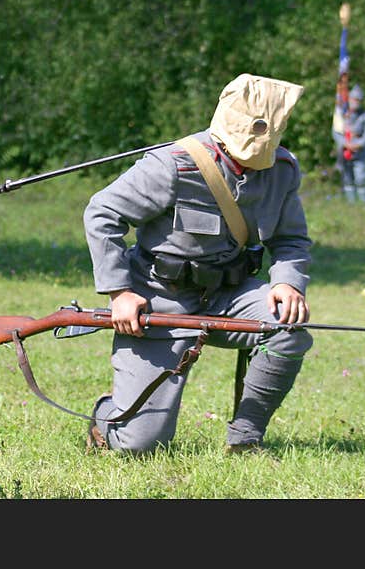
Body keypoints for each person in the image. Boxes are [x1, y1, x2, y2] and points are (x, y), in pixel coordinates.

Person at [84, 73, 313, 455]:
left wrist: (288, 282)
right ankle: (107, 416)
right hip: (159, 300)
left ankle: (245, 438)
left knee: (287, 326)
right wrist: (120, 292)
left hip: (231, 294)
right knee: (139, 446)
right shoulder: (173, 164)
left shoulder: (282, 171)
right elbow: (102, 213)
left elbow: (290, 239)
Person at [332, 84, 365, 203]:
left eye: (359, 100)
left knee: (361, 178)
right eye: (355, 99)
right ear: (349, 99)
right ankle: (351, 204)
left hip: (359, 151)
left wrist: (358, 144)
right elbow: (336, 132)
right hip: (344, 150)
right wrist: (345, 143)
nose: (357, 102)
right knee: (347, 178)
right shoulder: (341, 114)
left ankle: (364, 204)